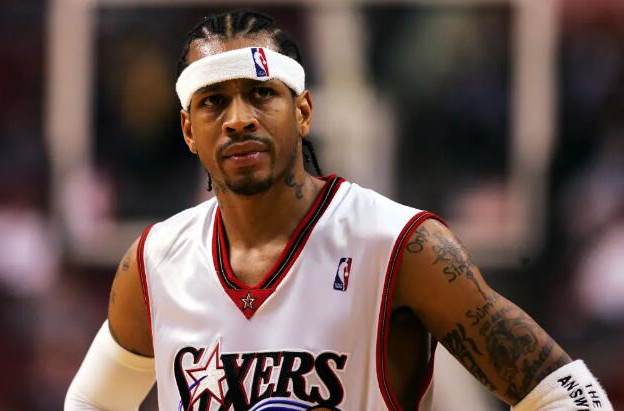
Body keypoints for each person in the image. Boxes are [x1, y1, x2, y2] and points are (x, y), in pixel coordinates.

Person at [64, 9, 613, 411]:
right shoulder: (155, 261)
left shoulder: (400, 245)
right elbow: (91, 401)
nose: (239, 119)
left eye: (261, 94)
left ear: (303, 111)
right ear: (189, 129)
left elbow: (562, 392)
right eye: (214, 102)